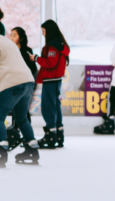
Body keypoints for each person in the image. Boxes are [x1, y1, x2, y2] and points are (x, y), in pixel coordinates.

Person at [0, 21, 41, 167]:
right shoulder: (6, 41)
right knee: (21, 118)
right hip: (28, 82)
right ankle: (32, 150)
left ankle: (0, 154)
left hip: (11, 84)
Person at [36, 20, 69, 149]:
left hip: (50, 79)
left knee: (48, 107)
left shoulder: (51, 47)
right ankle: (59, 134)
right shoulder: (61, 45)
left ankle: (50, 135)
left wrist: (37, 58)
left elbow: (50, 63)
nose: (43, 34)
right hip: (57, 80)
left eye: (43, 31)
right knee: (55, 105)